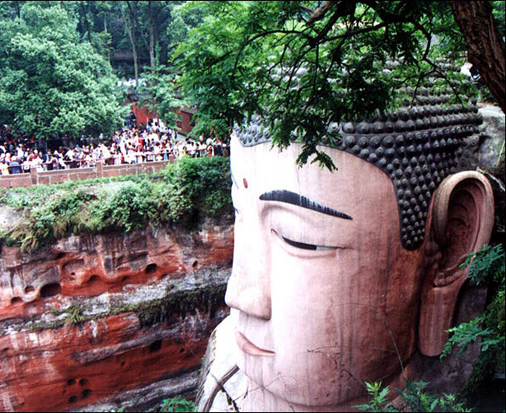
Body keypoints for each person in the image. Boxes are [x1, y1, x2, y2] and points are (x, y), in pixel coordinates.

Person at [197, 98, 495, 411]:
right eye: (237, 210)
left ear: (450, 250)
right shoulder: (223, 369)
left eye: (299, 240)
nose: (238, 296)